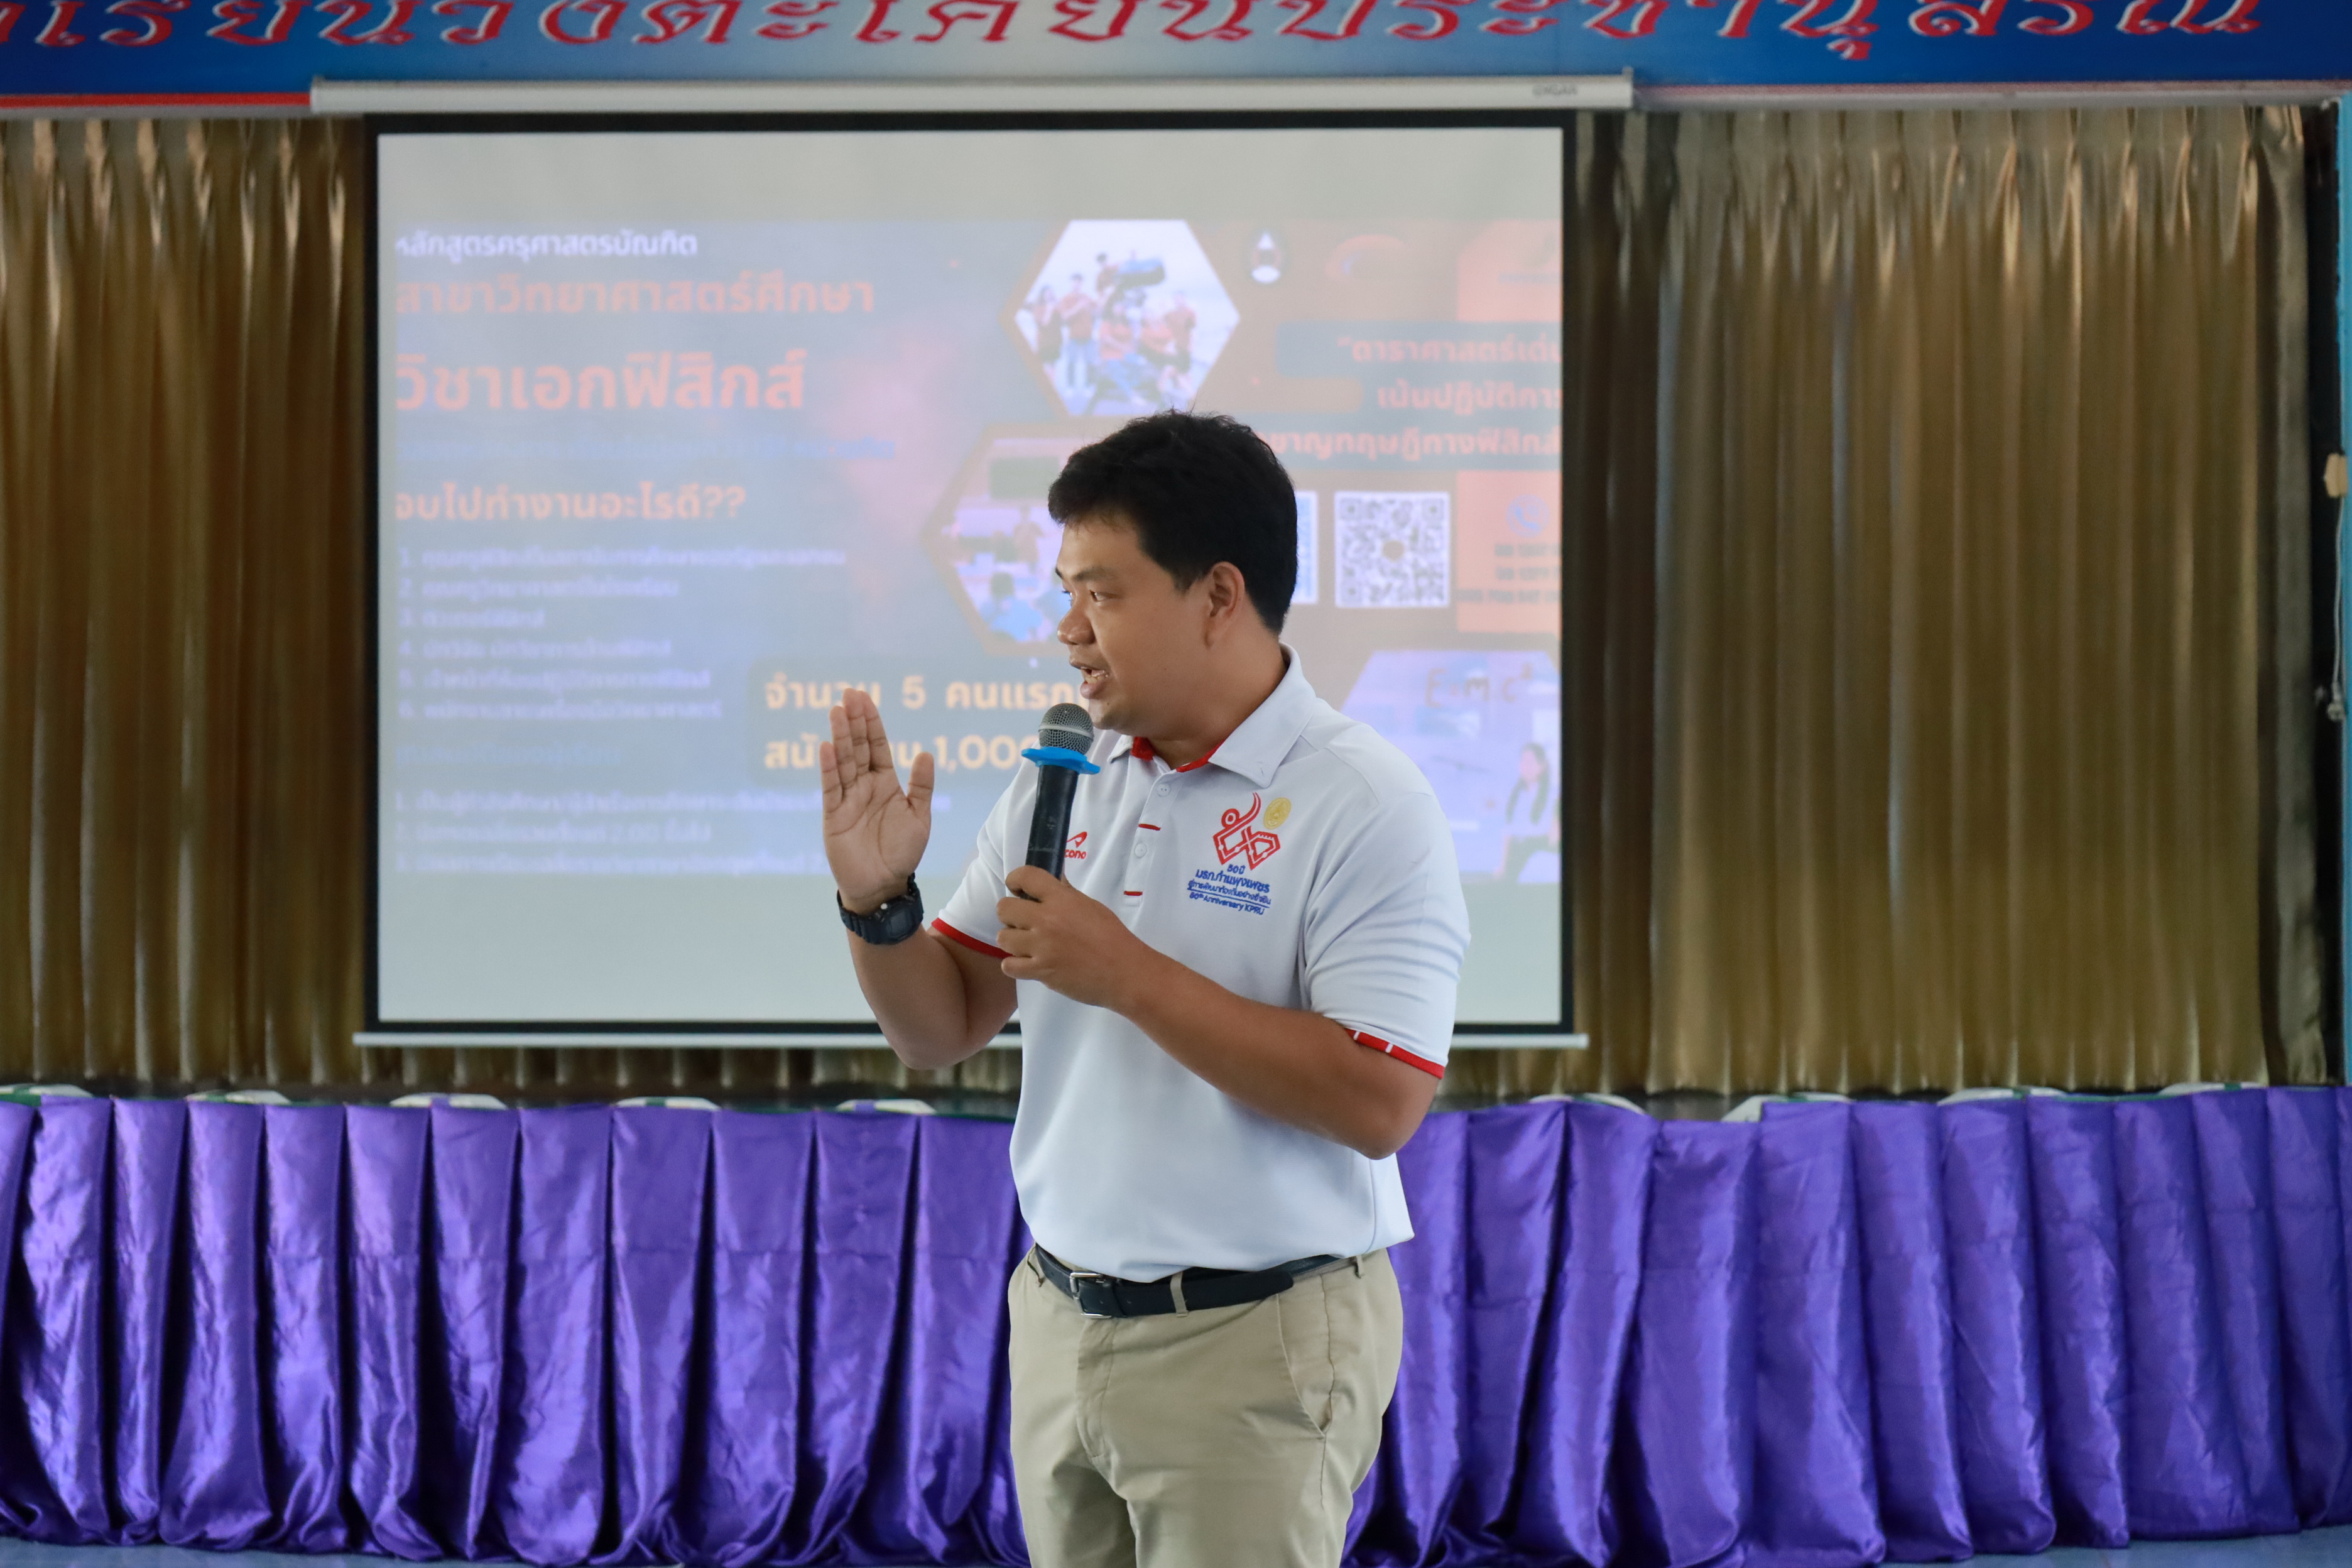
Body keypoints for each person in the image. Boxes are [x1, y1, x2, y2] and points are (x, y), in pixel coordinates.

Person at [820, 411, 1467, 1568]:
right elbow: (940, 1028)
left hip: (1253, 1336)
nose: (1067, 630)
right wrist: (880, 904)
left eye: (1101, 594)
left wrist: (1125, 975)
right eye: (1065, 593)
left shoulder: (1363, 802)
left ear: (1217, 596)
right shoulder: (1066, 776)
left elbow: (1381, 1102)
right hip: (1062, 1319)